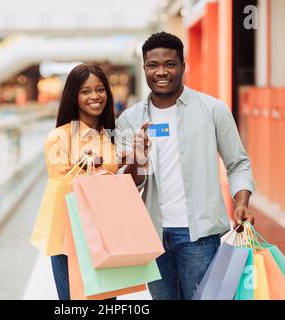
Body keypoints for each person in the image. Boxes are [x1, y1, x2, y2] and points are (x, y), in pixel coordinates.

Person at [114, 32, 255, 300]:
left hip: (200, 236)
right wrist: (136, 158)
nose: (161, 72)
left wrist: (242, 202)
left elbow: (238, 163)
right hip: (152, 236)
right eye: (153, 65)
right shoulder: (129, 120)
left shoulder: (213, 110)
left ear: (182, 66)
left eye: (170, 64)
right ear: (144, 68)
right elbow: (128, 185)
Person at [44, 64, 118, 300]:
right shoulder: (60, 137)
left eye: (100, 89)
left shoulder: (110, 136)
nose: (95, 97)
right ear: (73, 97)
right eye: (86, 91)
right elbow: (61, 186)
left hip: (107, 237)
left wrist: (135, 161)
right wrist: (88, 168)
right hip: (71, 242)